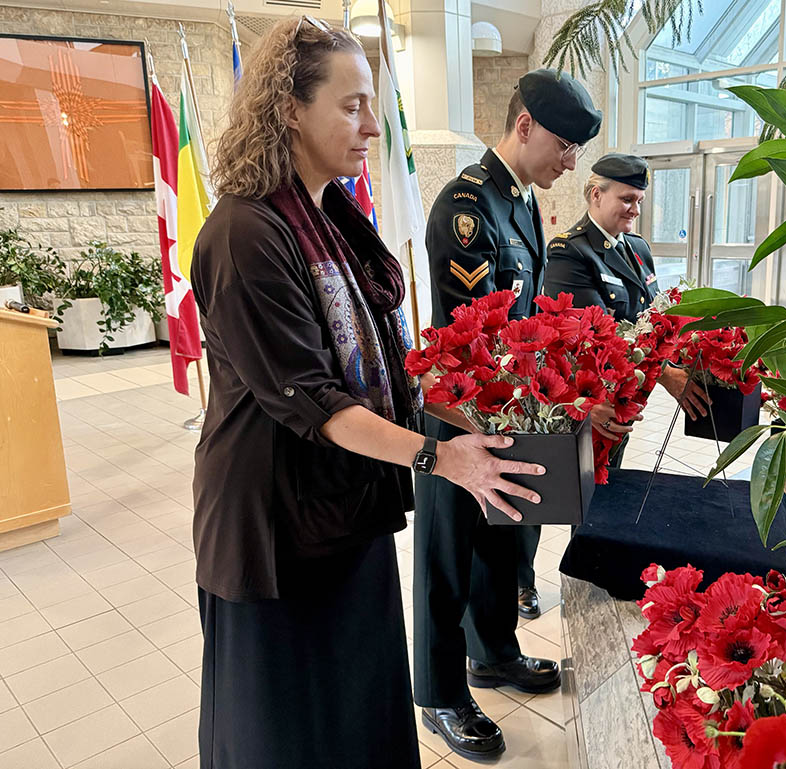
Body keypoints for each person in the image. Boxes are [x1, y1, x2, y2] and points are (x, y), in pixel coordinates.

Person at [190, 18, 543, 769]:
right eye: (352, 105)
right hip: (275, 529)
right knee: (289, 730)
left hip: (344, 510)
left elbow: (384, 367)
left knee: (359, 713)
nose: (371, 126)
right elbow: (315, 396)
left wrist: (484, 405)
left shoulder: (331, 221)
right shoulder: (244, 233)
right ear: (289, 106)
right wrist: (443, 458)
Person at [412, 68, 610, 761]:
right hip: (460, 417)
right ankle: (439, 692)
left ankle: (492, 655)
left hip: (509, 412)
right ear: (524, 125)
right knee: (447, 555)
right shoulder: (467, 206)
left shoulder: (520, 203)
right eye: (563, 143)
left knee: (499, 543)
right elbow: (471, 335)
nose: (571, 160)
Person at [544, 153, 711, 460]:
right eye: (627, 199)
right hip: (591, 406)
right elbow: (592, 342)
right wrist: (666, 374)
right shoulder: (569, 252)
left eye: (640, 201)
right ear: (597, 194)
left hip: (628, 396)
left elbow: (655, 321)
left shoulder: (637, 247)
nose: (635, 210)